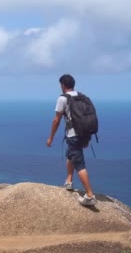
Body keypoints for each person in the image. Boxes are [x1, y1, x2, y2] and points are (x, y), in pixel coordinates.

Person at [46, 74, 97, 206]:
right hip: (84, 133)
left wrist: (51, 137)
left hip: (73, 135)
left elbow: (56, 120)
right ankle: (69, 181)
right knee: (71, 154)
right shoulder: (82, 97)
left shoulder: (62, 99)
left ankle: (90, 196)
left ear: (63, 85)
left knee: (79, 164)